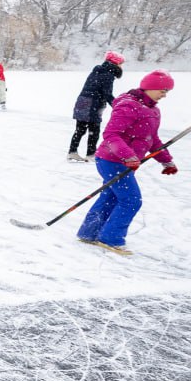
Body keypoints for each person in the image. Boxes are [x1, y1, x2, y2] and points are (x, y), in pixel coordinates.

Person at [76, 70, 179, 255]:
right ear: (150, 87)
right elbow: (110, 135)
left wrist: (166, 161)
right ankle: (110, 238)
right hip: (111, 160)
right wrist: (128, 156)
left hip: (125, 162)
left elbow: (152, 139)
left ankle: (89, 233)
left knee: (110, 196)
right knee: (131, 200)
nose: (165, 95)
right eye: (163, 90)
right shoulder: (128, 106)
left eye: (167, 91)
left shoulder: (153, 110)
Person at [68, 51, 124, 162]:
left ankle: (72, 152)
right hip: (92, 103)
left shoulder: (98, 70)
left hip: (83, 101)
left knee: (80, 129)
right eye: (121, 63)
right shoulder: (109, 74)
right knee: (94, 130)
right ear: (116, 63)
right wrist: (117, 106)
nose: (121, 66)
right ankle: (91, 155)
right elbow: (107, 93)